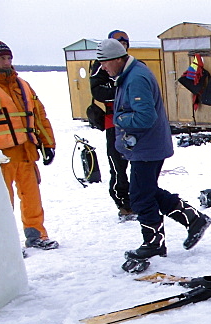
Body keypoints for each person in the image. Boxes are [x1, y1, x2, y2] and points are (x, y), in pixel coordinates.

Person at [95, 38, 211, 272]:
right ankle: (193, 219)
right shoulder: (129, 75)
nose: (103, 68)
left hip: (147, 147)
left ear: (118, 59)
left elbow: (145, 117)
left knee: (139, 195)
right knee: (146, 190)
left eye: (105, 63)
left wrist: (118, 119)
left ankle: (154, 243)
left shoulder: (136, 78)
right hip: (144, 146)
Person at [0, 39, 59, 250]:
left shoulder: (23, 85)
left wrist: (48, 144)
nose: (7, 62)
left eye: (9, 58)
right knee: (2, 202)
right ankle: (5, 244)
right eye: (2, 58)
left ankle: (36, 235)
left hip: (26, 151)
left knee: (32, 198)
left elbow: (39, 116)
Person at [90, 30, 134, 221]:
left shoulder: (132, 65)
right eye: (119, 43)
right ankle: (123, 202)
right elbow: (97, 91)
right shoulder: (101, 65)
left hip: (133, 121)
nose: (122, 46)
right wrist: (120, 90)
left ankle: (140, 198)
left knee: (140, 163)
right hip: (113, 123)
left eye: (125, 43)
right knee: (118, 164)